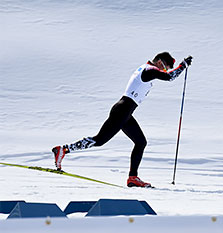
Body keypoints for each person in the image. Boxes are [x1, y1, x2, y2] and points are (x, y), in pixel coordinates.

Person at [52, 52, 193, 188]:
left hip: (125, 111)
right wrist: (183, 65)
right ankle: (63, 150)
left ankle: (133, 177)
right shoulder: (150, 69)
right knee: (99, 140)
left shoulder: (145, 69)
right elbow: (170, 77)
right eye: (164, 66)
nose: (163, 70)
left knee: (140, 142)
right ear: (159, 61)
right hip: (123, 110)